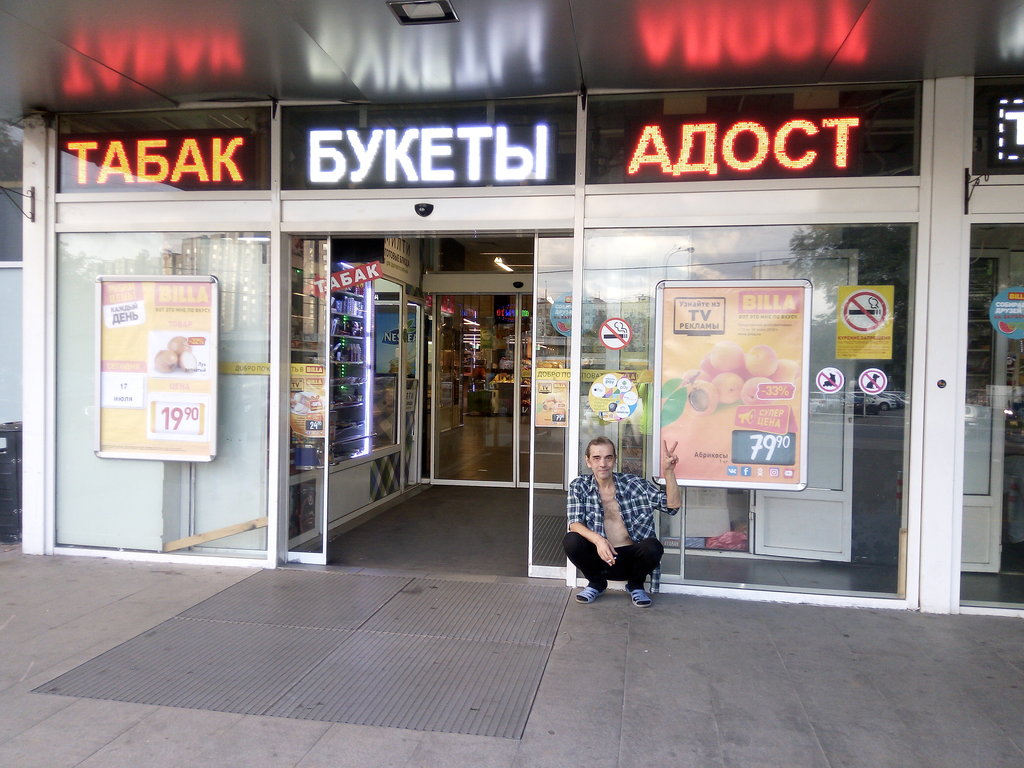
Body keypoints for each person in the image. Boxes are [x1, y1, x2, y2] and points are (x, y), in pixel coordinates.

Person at [563, 436, 680, 607]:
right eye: (596, 458)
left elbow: (672, 506)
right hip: (600, 559)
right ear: (588, 461)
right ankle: (596, 583)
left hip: (631, 561)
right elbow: (574, 523)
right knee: (571, 540)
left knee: (653, 546)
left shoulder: (634, 484)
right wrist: (599, 540)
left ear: (615, 460)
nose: (603, 464)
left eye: (608, 457)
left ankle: (636, 585)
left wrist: (669, 472)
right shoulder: (579, 486)